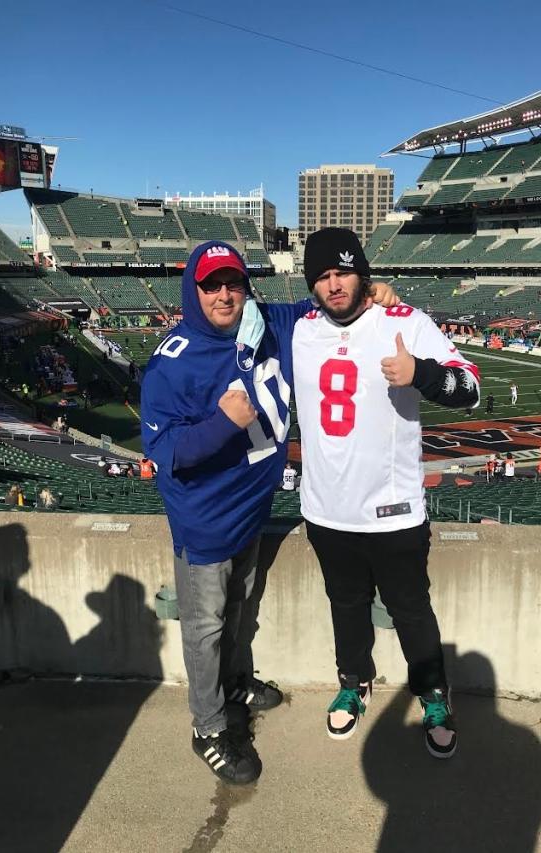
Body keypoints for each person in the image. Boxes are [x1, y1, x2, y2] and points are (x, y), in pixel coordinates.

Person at [141, 239, 400, 784]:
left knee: (237, 610)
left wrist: (366, 294)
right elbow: (164, 453)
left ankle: (233, 684)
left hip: (250, 510)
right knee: (205, 627)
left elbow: (319, 306)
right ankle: (208, 726)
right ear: (194, 290)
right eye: (212, 284)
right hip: (206, 521)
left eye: (234, 282)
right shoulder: (173, 363)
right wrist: (222, 424)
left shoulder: (264, 322)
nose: (225, 294)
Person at [292, 228, 480, 759]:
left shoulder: (406, 322)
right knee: (345, 605)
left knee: (412, 609)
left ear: (363, 274)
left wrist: (420, 373)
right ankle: (354, 680)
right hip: (328, 511)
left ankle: (433, 692)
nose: (334, 285)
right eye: (323, 276)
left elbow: (470, 387)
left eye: (343, 272)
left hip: (394, 510)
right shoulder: (299, 327)